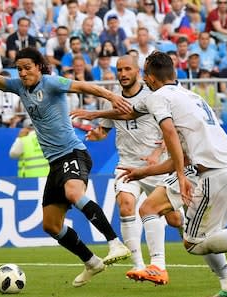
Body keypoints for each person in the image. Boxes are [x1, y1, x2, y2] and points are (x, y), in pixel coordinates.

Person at [93, 51, 227, 297]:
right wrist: (96, 116)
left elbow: (169, 134)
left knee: (188, 238)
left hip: (212, 172)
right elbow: (132, 113)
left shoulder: (159, 98)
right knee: (173, 220)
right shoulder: (190, 96)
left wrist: (180, 174)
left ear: (151, 78)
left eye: (145, 72)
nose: (143, 77)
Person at [0, 35, 132, 287]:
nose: (23, 73)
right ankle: (91, 262)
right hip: (55, 163)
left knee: (73, 191)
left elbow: (83, 87)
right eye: (19, 69)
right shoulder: (18, 87)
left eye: (27, 68)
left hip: (74, 153)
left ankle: (115, 243)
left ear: (39, 67)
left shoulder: (52, 82)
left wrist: (111, 97)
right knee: (51, 225)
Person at [70, 55, 195, 276]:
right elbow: (105, 129)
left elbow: (170, 130)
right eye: (119, 70)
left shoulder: (153, 97)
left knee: (172, 218)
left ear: (138, 72)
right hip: (126, 165)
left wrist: (157, 153)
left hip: (155, 167)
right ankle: (139, 265)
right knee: (126, 205)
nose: (123, 74)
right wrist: (96, 134)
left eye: (127, 69)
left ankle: (184, 226)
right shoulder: (114, 101)